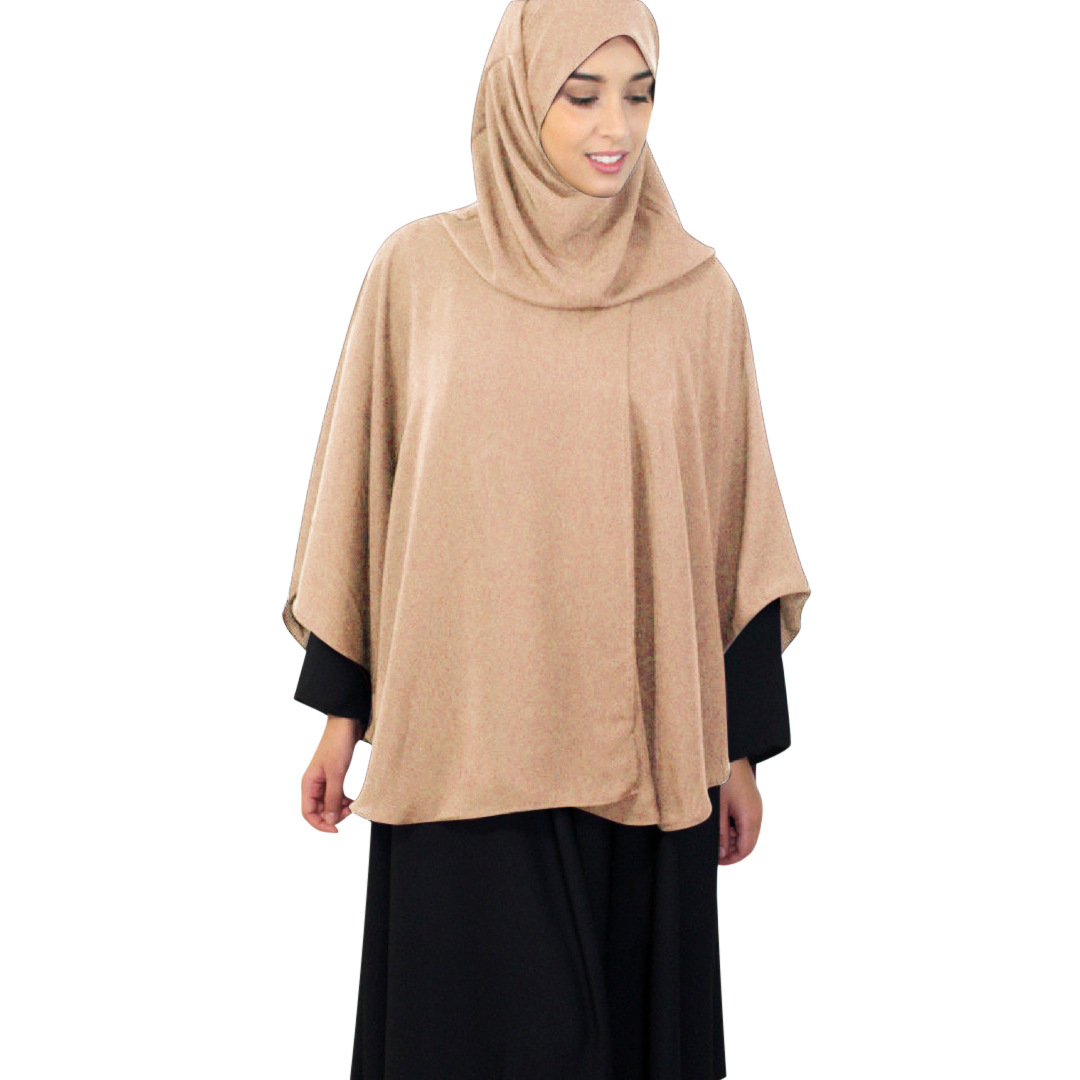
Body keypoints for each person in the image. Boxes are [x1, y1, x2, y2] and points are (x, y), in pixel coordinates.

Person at [283, 2, 809, 1077]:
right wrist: (342, 719)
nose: (616, 126)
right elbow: (364, 499)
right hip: (462, 742)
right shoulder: (420, 273)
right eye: (581, 95)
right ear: (518, 98)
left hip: (644, 757)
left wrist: (739, 752)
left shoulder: (696, 295)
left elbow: (734, 525)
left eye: (640, 94)